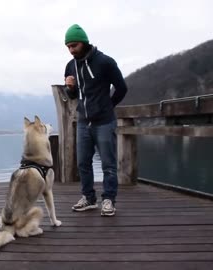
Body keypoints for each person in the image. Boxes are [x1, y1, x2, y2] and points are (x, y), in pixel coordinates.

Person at [63, 24, 127, 216]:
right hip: (83, 122)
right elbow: (73, 96)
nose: (71, 50)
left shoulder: (105, 62)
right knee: (83, 163)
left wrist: (108, 106)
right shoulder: (70, 65)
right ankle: (89, 198)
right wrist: (70, 88)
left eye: (74, 45)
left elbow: (122, 88)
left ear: (83, 42)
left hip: (104, 122)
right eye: (68, 47)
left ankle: (108, 200)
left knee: (108, 164)